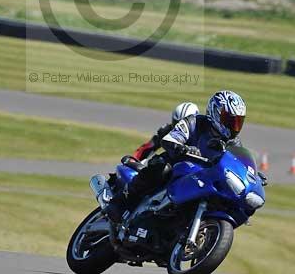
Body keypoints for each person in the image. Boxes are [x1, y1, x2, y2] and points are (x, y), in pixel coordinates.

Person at [106, 90, 252, 224]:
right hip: (178, 164)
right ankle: (121, 201)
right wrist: (181, 147)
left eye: (238, 121)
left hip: (203, 177)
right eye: (230, 120)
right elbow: (170, 138)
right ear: (215, 112)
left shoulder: (234, 143)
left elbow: (237, 164)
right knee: (161, 167)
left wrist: (252, 174)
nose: (234, 126)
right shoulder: (194, 122)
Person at [131, 101, 200, 162]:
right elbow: (148, 147)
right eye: (177, 123)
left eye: (186, 123)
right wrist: (133, 160)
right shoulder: (167, 130)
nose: (181, 127)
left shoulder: (203, 132)